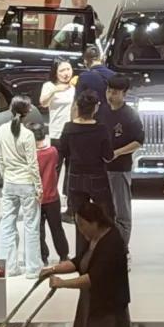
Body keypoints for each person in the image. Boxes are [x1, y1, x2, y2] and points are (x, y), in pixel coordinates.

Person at [40, 201, 131, 327]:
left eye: (82, 225)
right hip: (91, 302)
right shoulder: (93, 237)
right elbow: (79, 261)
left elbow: (93, 278)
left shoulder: (112, 243)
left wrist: (62, 283)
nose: (80, 229)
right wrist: (52, 270)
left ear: (95, 222)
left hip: (108, 308)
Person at [56, 91, 115, 255]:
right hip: (97, 177)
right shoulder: (101, 129)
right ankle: (105, 253)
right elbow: (108, 156)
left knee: (80, 220)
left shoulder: (69, 128)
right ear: (95, 108)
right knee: (106, 216)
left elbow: (63, 151)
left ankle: (82, 256)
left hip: (75, 177)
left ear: (77, 107)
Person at [0, 95, 43, 279]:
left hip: (9, 183)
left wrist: (6, 176)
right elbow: (32, 164)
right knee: (31, 227)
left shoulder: (1, 130)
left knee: (7, 224)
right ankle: (32, 269)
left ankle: (9, 267)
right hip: (27, 184)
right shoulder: (27, 135)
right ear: (28, 111)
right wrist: (39, 187)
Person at [100, 75, 144, 248]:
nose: (110, 95)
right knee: (105, 211)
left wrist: (117, 153)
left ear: (124, 94)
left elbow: (138, 141)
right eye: (109, 91)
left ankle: (122, 250)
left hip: (119, 169)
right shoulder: (101, 111)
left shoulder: (130, 115)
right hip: (100, 169)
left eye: (115, 92)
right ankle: (106, 249)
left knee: (122, 213)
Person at [32, 123, 69, 265]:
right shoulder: (53, 151)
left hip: (37, 198)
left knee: (39, 230)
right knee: (57, 228)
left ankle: (43, 257)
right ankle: (63, 255)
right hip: (53, 197)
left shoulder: (32, 156)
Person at [40, 58, 76, 143]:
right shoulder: (49, 86)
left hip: (72, 131)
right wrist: (55, 90)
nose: (66, 73)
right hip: (57, 131)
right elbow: (43, 103)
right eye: (62, 70)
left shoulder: (73, 87)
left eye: (68, 69)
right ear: (55, 73)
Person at [74, 45, 115, 118]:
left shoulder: (84, 77)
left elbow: (77, 103)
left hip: (90, 118)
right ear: (101, 58)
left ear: (85, 61)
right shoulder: (113, 75)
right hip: (111, 117)